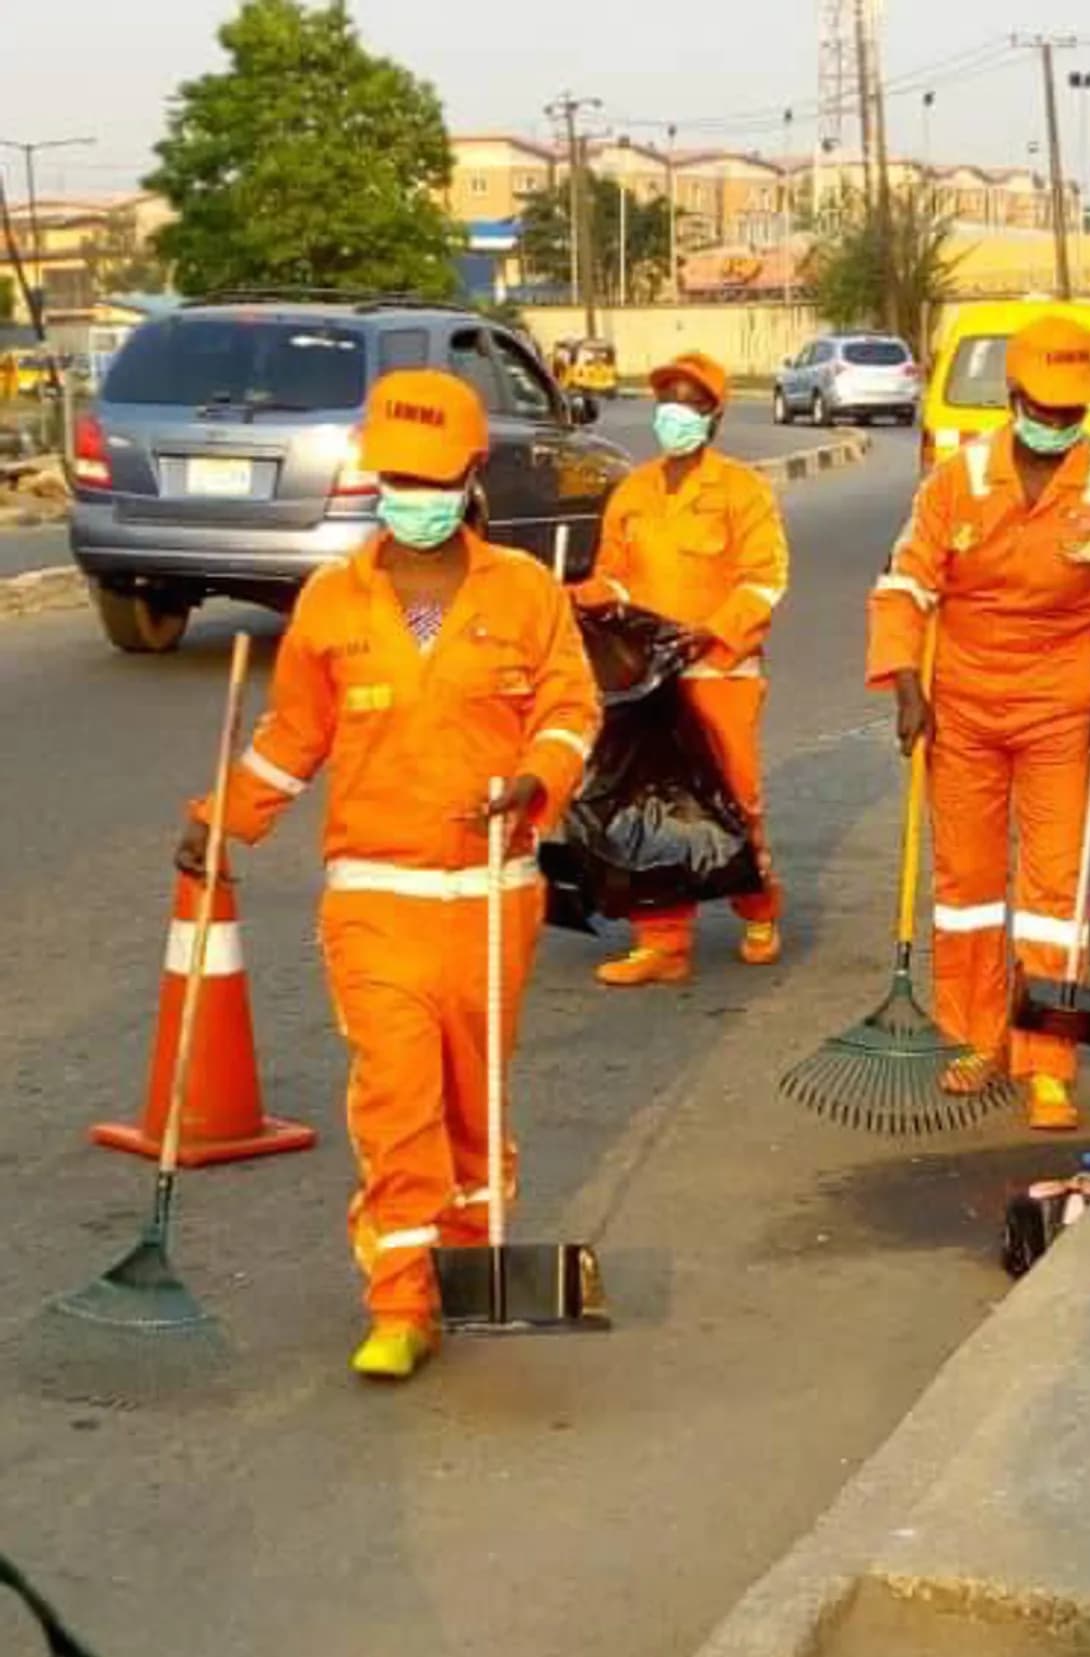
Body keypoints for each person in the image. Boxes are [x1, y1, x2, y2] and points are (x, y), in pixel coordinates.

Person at [173, 369, 600, 1381]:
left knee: (471, 1101)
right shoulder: (333, 601)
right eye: (391, 478)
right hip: (375, 894)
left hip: (495, 896)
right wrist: (223, 821)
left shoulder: (526, 591)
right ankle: (399, 1299)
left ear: (469, 475)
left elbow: (572, 711)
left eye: (425, 477)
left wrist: (535, 780)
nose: (406, 495)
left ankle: (468, 1266)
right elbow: (292, 738)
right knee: (396, 1090)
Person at [867, 313, 1090, 1132]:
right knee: (966, 891)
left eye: (1075, 413)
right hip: (961, 704)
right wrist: (905, 683)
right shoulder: (956, 480)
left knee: (1052, 896)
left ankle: (1048, 1062)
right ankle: (970, 1038)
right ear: (1013, 397)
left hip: (1063, 707)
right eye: (1047, 408)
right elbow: (904, 586)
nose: (1061, 424)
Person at [575, 350, 789, 985]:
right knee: (650, 802)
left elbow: (765, 580)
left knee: (732, 797)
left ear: (714, 418)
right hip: (647, 679)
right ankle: (662, 940)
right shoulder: (633, 491)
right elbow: (612, 575)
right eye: (667, 403)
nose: (677, 416)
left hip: (719, 671)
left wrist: (712, 633)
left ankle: (759, 910)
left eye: (691, 406)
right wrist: (578, 599)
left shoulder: (741, 491)